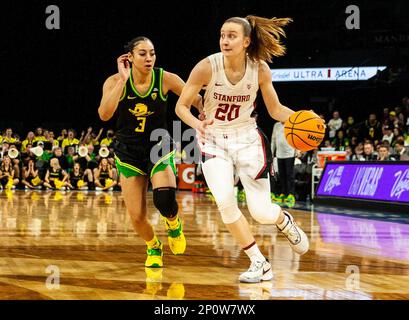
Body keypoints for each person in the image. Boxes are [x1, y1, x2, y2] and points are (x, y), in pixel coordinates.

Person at [175, 15, 309, 283]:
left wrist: (306, 119)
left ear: (246, 41)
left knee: (261, 213)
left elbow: (275, 110)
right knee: (225, 202)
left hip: (247, 138)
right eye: (223, 35)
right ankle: (259, 263)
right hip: (213, 139)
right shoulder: (206, 67)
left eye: (232, 36)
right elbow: (181, 106)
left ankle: (283, 220)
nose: (225, 40)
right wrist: (196, 125)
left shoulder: (259, 69)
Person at [98, 36, 203, 268]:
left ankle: (174, 224)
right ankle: (154, 246)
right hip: (128, 150)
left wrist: (204, 113)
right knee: (136, 216)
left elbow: (195, 98)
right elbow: (104, 114)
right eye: (143, 53)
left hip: (159, 145)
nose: (149, 58)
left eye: (152, 53)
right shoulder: (114, 81)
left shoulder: (165, 78)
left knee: (164, 199)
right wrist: (122, 81)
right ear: (130, 58)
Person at [271, 121, 296, 205]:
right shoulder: (276, 125)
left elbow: (296, 138)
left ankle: (290, 194)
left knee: (289, 175)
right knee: (281, 175)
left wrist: (297, 150)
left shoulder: (291, 124)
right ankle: (283, 193)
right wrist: (271, 152)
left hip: (289, 153)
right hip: (279, 154)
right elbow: (273, 139)